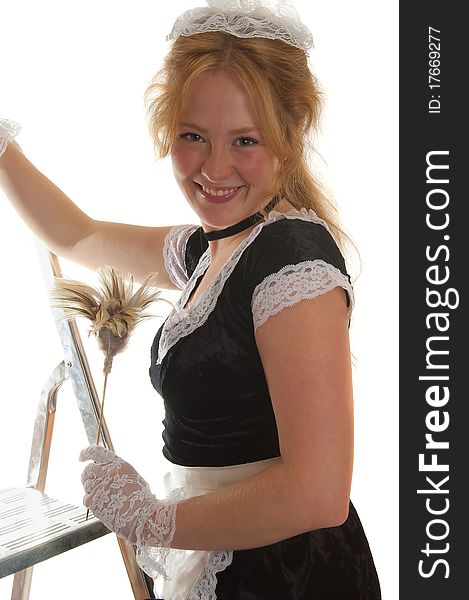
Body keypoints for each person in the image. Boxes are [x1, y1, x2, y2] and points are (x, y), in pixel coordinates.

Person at [0, 0, 382, 598]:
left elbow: (319, 492)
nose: (215, 167)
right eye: (192, 136)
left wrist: (152, 519)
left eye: (246, 140)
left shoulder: (292, 259)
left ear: (291, 134)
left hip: (285, 578)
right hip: (226, 559)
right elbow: (78, 235)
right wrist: (2, 148)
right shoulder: (217, 247)